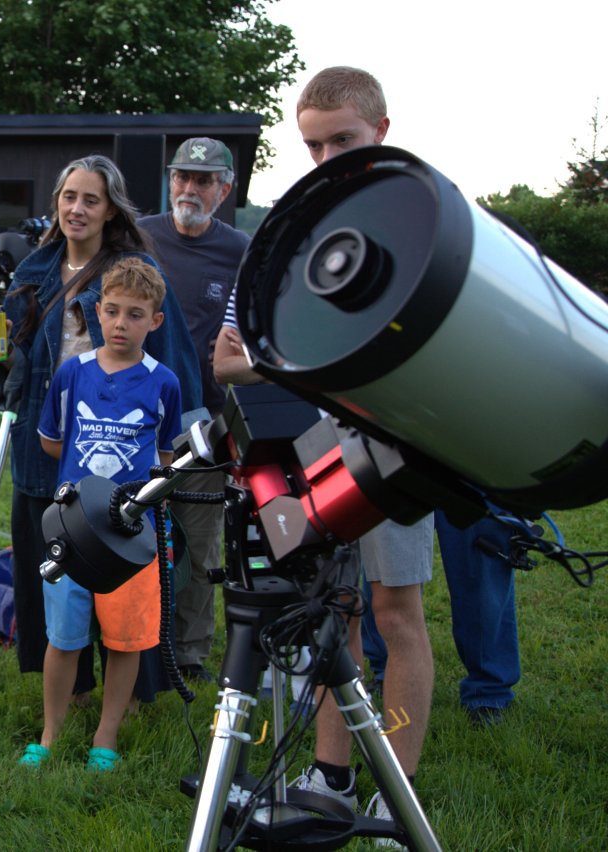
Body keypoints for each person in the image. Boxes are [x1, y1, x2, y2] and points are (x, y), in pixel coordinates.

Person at [213, 66, 433, 828]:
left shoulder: (421, 223)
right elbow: (228, 358)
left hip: (398, 445)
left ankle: (394, 783)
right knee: (329, 614)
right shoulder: (284, 235)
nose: (328, 156)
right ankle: (330, 776)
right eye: (312, 145)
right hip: (312, 446)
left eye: (342, 139)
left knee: (395, 613)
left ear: (380, 131)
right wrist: (308, 356)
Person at [0, 154, 204, 703]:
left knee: (124, 568)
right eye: (69, 197)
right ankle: (69, 688)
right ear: (57, 203)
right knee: (56, 568)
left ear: (109, 209)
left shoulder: (134, 276)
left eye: (90, 199)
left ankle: (130, 689)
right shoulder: (32, 271)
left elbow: (175, 364)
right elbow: (13, 363)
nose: (77, 208)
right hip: (44, 443)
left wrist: (184, 447)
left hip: (124, 450)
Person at [20, 257, 184, 771]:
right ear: (96, 312)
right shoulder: (74, 373)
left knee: (125, 639)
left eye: (135, 315)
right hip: (72, 529)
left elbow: (166, 458)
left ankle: (105, 737)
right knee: (64, 637)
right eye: (111, 311)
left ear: (155, 321)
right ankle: (49, 733)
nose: (120, 324)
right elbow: (51, 441)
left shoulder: (165, 384)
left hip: (133, 534)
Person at [138, 137, 250, 683]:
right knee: (132, 526)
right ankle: (131, 644)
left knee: (197, 539)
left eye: (203, 180)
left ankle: (190, 654)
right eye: (182, 176)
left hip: (203, 418)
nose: (190, 188)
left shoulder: (241, 251)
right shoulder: (139, 236)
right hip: (133, 411)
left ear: (224, 189)